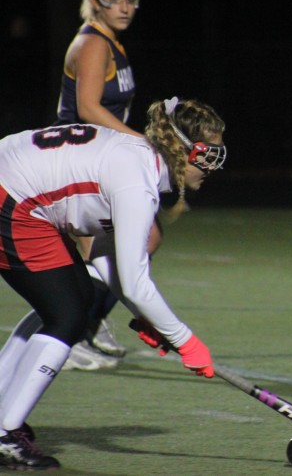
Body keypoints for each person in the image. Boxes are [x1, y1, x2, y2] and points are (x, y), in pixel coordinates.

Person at [0, 97, 227, 470]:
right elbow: (135, 283)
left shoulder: (139, 161)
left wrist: (153, 321)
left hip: (19, 193)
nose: (212, 166)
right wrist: (186, 340)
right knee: (68, 314)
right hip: (14, 198)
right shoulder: (137, 182)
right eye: (207, 155)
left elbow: (108, 261)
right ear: (182, 149)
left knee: (72, 301)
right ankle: (6, 433)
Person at [55, 0, 155, 370]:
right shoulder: (94, 44)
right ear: (94, 0)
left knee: (139, 242)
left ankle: (87, 324)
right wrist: (142, 143)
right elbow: (88, 108)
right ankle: (72, 332)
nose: (124, 6)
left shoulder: (113, 41)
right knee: (123, 246)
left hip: (99, 159)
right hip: (78, 163)